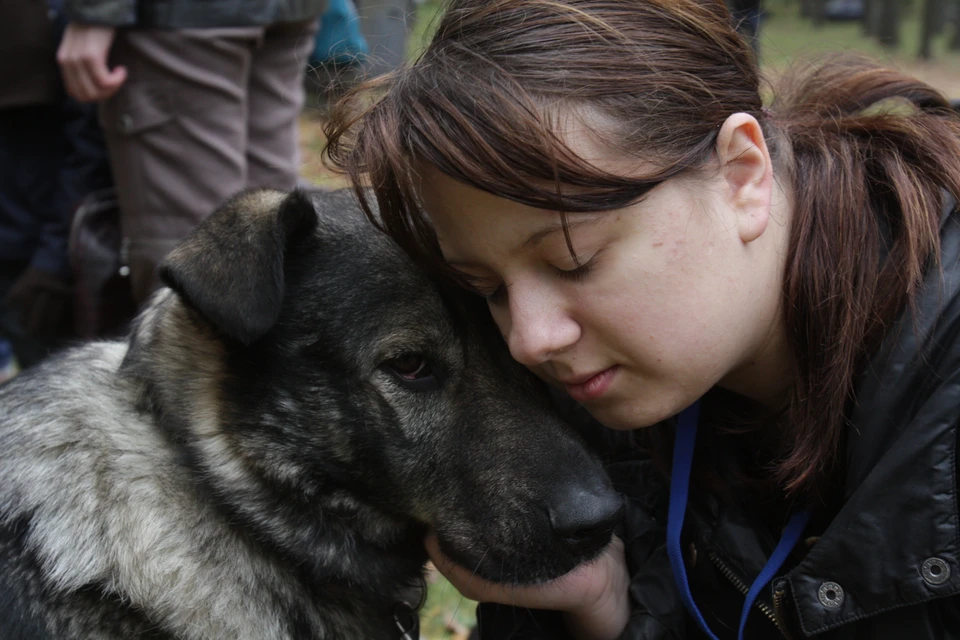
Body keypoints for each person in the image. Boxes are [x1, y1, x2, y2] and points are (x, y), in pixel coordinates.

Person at [323, 0, 960, 638]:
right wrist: (609, 610)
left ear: (743, 175)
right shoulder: (586, 411)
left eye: (575, 261)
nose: (530, 339)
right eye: (486, 288)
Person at [56, 0, 328, 305]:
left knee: (195, 262)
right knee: (274, 235)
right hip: (288, 11)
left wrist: (96, 13)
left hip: (183, 20)